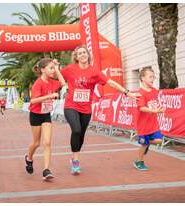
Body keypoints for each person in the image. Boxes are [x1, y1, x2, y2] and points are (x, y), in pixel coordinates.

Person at [60, 45, 140, 175]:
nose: (82, 55)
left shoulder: (94, 71)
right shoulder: (70, 69)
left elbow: (110, 82)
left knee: (81, 136)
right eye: (79, 53)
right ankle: (75, 161)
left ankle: (74, 155)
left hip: (86, 108)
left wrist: (126, 92)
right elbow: (56, 75)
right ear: (76, 57)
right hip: (71, 105)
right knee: (76, 129)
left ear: (88, 55)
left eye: (84, 53)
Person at [25, 58, 65, 181]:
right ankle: (29, 158)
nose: (53, 70)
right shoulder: (38, 83)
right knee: (36, 143)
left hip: (46, 114)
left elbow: (63, 83)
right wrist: (50, 96)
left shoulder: (52, 82)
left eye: (53, 68)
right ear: (43, 70)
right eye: (51, 68)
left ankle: (46, 170)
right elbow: (33, 101)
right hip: (36, 114)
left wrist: (57, 69)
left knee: (47, 142)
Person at [134, 67, 165, 171]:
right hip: (143, 125)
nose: (152, 79)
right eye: (150, 77)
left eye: (153, 77)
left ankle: (147, 143)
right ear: (143, 78)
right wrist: (154, 111)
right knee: (143, 144)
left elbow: (155, 104)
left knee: (159, 140)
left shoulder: (155, 91)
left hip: (153, 124)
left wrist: (159, 109)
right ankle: (139, 161)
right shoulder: (140, 93)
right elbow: (142, 108)